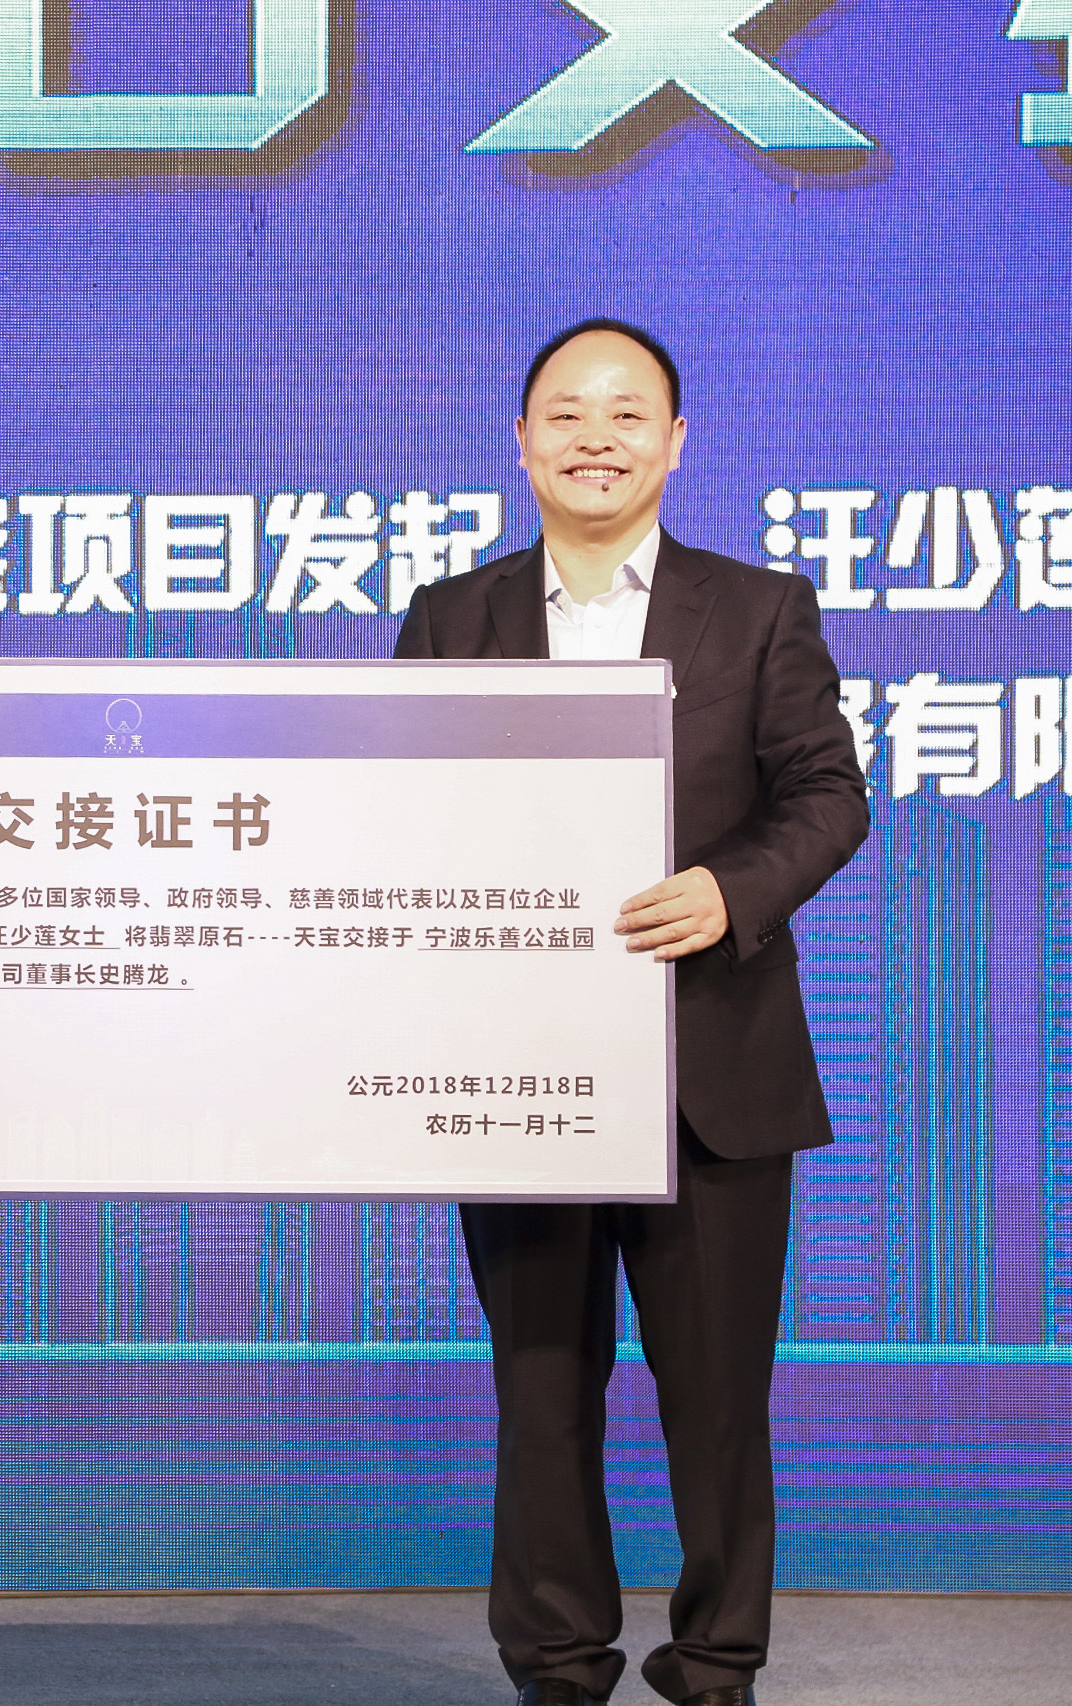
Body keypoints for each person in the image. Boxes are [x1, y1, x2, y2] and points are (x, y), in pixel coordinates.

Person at [394, 320, 868, 1706]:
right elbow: (397, 803)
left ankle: (715, 1659)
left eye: (626, 414)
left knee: (717, 1397)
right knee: (542, 1387)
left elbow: (828, 793)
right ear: (522, 441)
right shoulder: (450, 617)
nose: (594, 438)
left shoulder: (759, 607)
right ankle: (557, 1659)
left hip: (710, 1064)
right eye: (565, 413)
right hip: (521, 1069)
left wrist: (731, 890)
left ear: (674, 441)